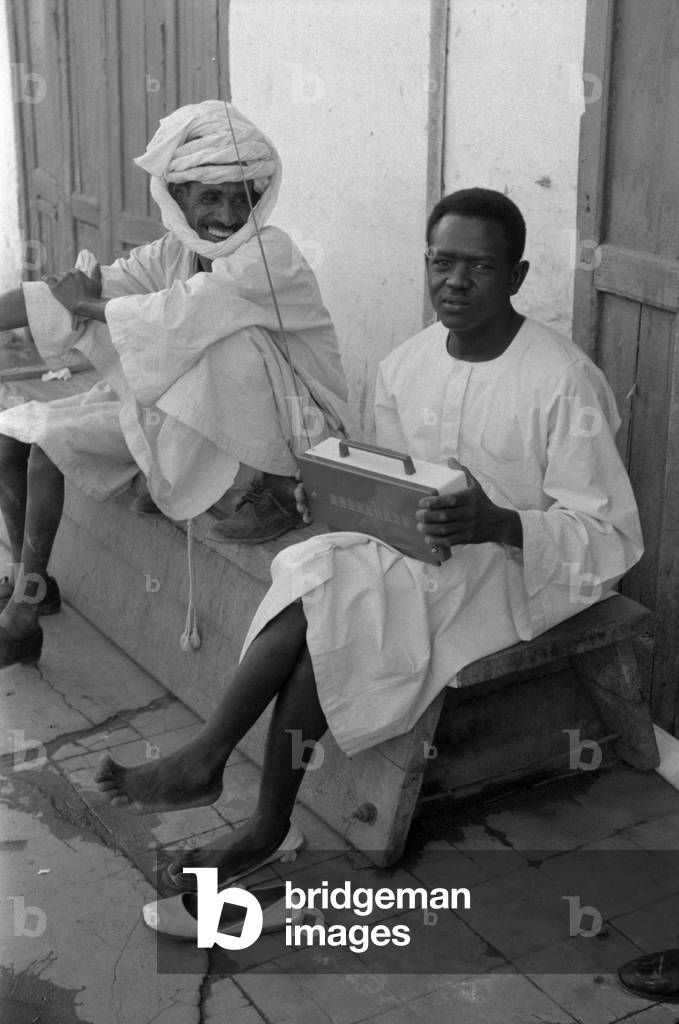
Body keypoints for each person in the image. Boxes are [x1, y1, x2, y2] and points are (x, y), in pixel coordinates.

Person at [95, 188, 643, 910]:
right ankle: (244, 798)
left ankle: (227, 779)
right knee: (315, 565)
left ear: (515, 276)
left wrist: (501, 523)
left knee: (335, 590)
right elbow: (386, 479)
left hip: (524, 569)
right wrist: (328, 496)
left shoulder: (562, 380)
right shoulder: (406, 363)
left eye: (478, 268)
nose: (454, 281)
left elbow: (608, 536)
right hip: (416, 554)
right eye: (440, 262)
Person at [0, 100, 351, 670]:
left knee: (230, 343)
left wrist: (89, 302)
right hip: (188, 419)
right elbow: (81, 290)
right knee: (34, 437)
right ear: (178, 198)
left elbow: (182, 312)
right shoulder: (175, 251)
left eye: (243, 197)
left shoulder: (271, 253)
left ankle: (271, 491)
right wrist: (81, 293)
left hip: (292, 435)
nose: (228, 213)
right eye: (210, 196)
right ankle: (26, 598)